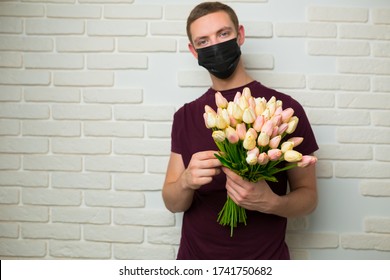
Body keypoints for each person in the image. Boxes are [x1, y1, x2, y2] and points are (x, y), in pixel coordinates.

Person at [162, 1, 318, 260]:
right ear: (193, 51)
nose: (215, 45)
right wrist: (186, 181)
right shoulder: (185, 116)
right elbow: (172, 202)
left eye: (223, 34)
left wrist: (272, 203)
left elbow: (309, 198)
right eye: (203, 41)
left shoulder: (284, 110)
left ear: (240, 35)